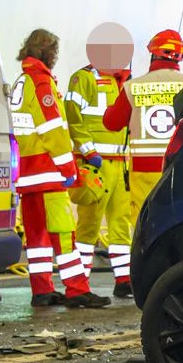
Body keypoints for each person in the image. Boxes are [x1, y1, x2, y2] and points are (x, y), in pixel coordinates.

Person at [8, 31, 96, 308]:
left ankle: (42, 290)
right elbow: (52, 129)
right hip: (47, 173)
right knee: (64, 233)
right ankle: (77, 289)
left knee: (37, 238)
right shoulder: (40, 81)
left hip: (27, 174)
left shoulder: (20, 82)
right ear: (48, 52)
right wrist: (69, 167)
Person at [113, 29, 183, 292]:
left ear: (153, 52)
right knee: (181, 221)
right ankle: (180, 278)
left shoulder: (133, 87)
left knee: (144, 225)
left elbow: (111, 123)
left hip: (144, 168)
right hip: (179, 166)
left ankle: (143, 279)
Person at [64, 52, 131, 295]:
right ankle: (79, 283)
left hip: (120, 164)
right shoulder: (83, 78)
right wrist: (87, 150)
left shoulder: (122, 81)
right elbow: (73, 117)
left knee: (120, 223)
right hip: (94, 164)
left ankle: (124, 280)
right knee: (88, 225)